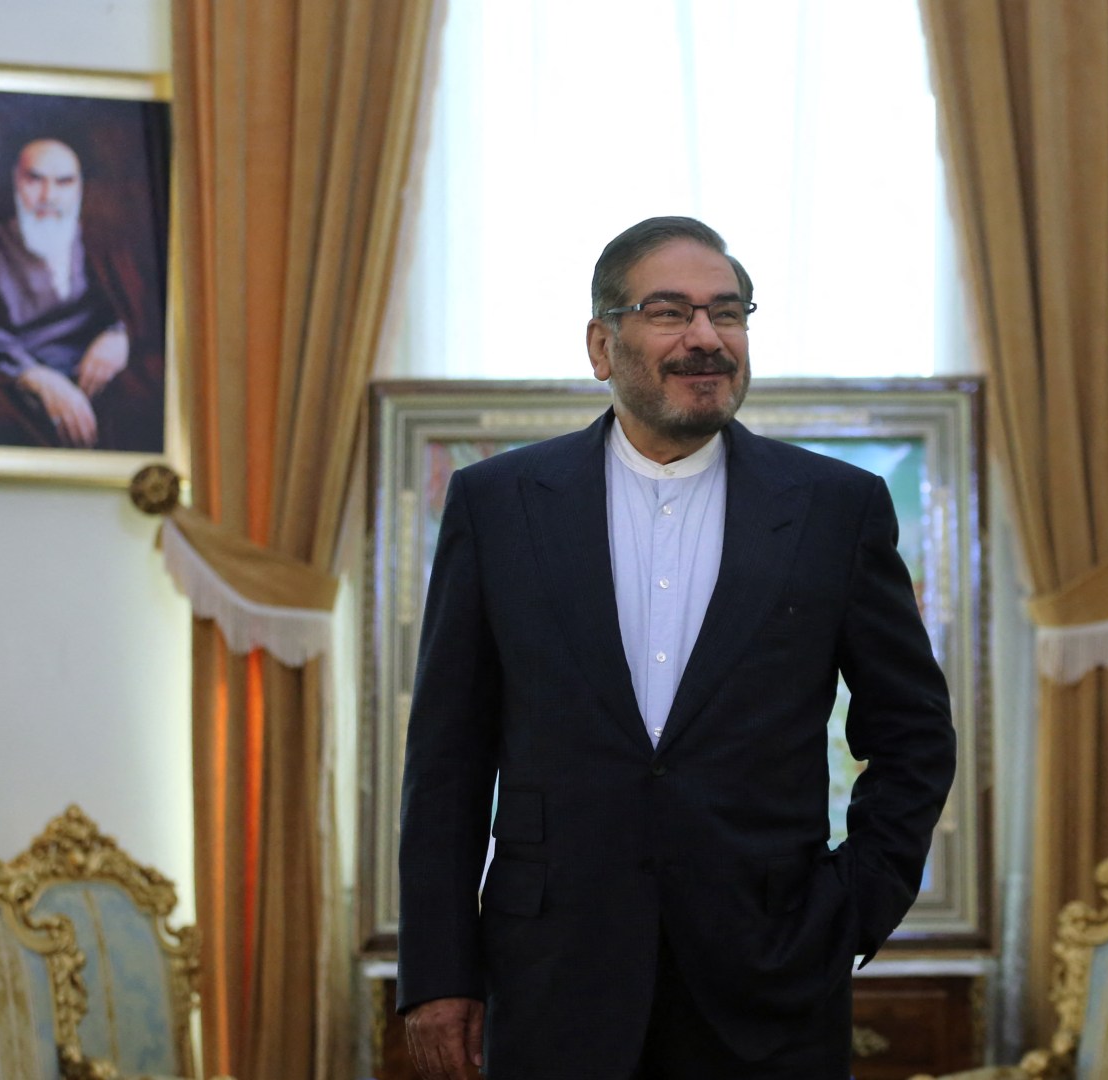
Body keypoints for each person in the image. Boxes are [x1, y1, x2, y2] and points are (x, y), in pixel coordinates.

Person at [396, 216, 956, 1079]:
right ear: (601, 345)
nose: (706, 337)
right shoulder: (499, 505)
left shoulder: (835, 510)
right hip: (552, 980)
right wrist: (438, 972)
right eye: (670, 312)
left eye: (727, 313)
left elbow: (913, 735)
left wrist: (849, 910)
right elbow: (447, 760)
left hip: (771, 983)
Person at [0, 136, 164, 451]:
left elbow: (150, 313)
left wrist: (120, 336)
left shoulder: (109, 249)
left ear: (79, 188)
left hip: (95, 383)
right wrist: (34, 376)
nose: (48, 196)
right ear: (15, 182)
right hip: (12, 386)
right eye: (35, 180)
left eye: (63, 182)